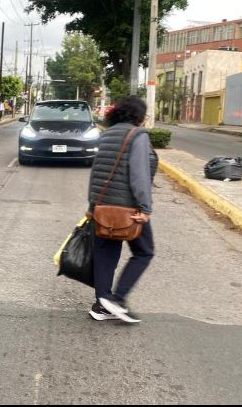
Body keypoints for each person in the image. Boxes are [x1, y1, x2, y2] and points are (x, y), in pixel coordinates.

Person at [87, 96, 158, 324]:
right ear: (138, 116)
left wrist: (92, 207)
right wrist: (145, 208)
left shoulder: (107, 134)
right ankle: (116, 299)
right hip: (127, 210)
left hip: (102, 208)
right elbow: (139, 176)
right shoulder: (137, 135)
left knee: (105, 254)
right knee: (144, 251)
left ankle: (102, 304)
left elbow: (96, 173)